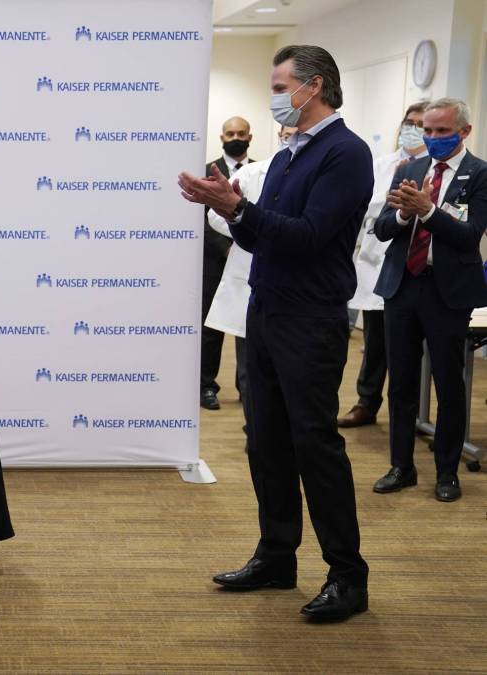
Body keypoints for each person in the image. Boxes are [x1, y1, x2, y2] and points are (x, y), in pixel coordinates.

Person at [178, 45, 372, 622]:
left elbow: (309, 235)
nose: (275, 97)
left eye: (280, 85)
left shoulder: (345, 153)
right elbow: (264, 239)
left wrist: (239, 209)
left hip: (310, 319)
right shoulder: (289, 156)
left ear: (313, 87)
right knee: (264, 440)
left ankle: (347, 574)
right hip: (263, 313)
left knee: (315, 445)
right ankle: (277, 554)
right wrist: (231, 210)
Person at [371, 97, 487, 502]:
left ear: (464, 131)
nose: (433, 138)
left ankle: (446, 472)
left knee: (448, 384)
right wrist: (404, 215)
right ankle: (401, 466)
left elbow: (471, 235)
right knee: (400, 382)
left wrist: (430, 211)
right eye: (428, 131)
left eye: (442, 131)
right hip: (403, 286)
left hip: (447, 292)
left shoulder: (480, 175)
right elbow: (383, 228)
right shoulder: (411, 169)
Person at [340, 102, 429, 428]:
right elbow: (366, 205)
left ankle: (412, 413)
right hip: (377, 261)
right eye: (409, 122)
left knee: (410, 347)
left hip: (416, 264)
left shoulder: (435, 167)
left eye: (421, 124)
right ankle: (367, 402)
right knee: (375, 340)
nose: (413, 128)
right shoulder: (382, 164)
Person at [205, 125, 295, 446]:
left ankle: (276, 430)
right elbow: (218, 216)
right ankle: (255, 430)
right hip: (251, 279)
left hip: (298, 292)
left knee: (287, 370)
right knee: (250, 366)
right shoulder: (256, 173)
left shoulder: (322, 173)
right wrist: (246, 230)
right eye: (288, 129)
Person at [201, 116, 255, 411]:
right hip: (215, 261)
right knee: (211, 328)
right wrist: (226, 247)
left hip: (250, 263)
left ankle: (246, 388)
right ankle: (207, 385)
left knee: (248, 328)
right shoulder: (209, 171)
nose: (236, 137)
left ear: (250, 137)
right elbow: (202, 218)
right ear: (222, 137)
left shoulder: (264, 170)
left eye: (241, 133)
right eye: (230, 133)